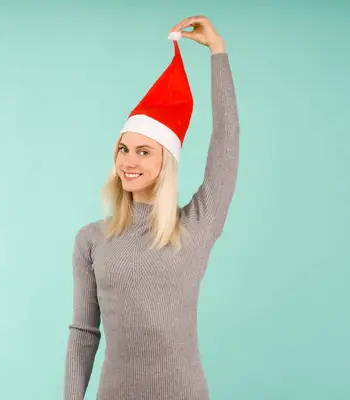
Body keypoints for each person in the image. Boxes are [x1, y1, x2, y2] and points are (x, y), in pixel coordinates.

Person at [63, 15, 239, 400]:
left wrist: (217, 52)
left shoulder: (196, 226)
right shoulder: (91, 240)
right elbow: (83, 332)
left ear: (166, 162)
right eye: (124, 149)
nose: (129, 161)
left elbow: (226, 141)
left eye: (144, 152)